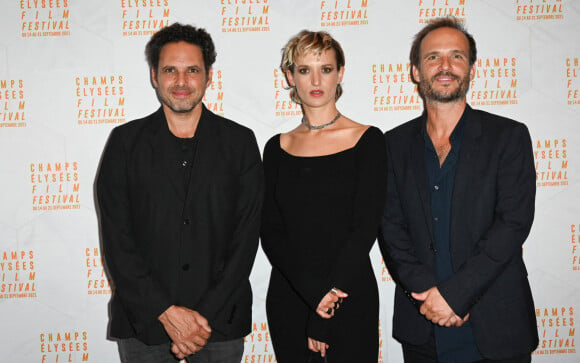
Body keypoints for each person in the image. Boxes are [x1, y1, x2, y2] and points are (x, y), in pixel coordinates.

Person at [96, 23, 264, 363]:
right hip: (144, 321)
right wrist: (165, 312)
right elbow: (118, 240)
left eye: (192, 71)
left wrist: (198, 321)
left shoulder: (240, 143)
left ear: (208, 76)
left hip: (218, 322)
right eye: (170, 70)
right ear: (154, 77)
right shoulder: (125, 144)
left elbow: (245, 240)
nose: (182, 82)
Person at [379, 17, 538, 362]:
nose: (445, 66)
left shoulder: (509, 137)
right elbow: (390, 229)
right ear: (416, 72)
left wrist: (455, 296)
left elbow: (513, 223)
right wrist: (430, 295)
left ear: (471, 70)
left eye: (457, 56)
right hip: (424, 323)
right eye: (433, 57)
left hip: (496, 323)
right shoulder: (392, 145)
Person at [260, 30, 387, 363]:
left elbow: (364, 229)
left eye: (326, 69)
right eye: (304, 70)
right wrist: (312, 295)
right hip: (291, 297)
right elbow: (271, 232)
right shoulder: (276, 147)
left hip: (350, 292)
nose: (315, 79)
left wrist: (326, 303)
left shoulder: (368, 141)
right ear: (290, 76)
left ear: (340, 73)